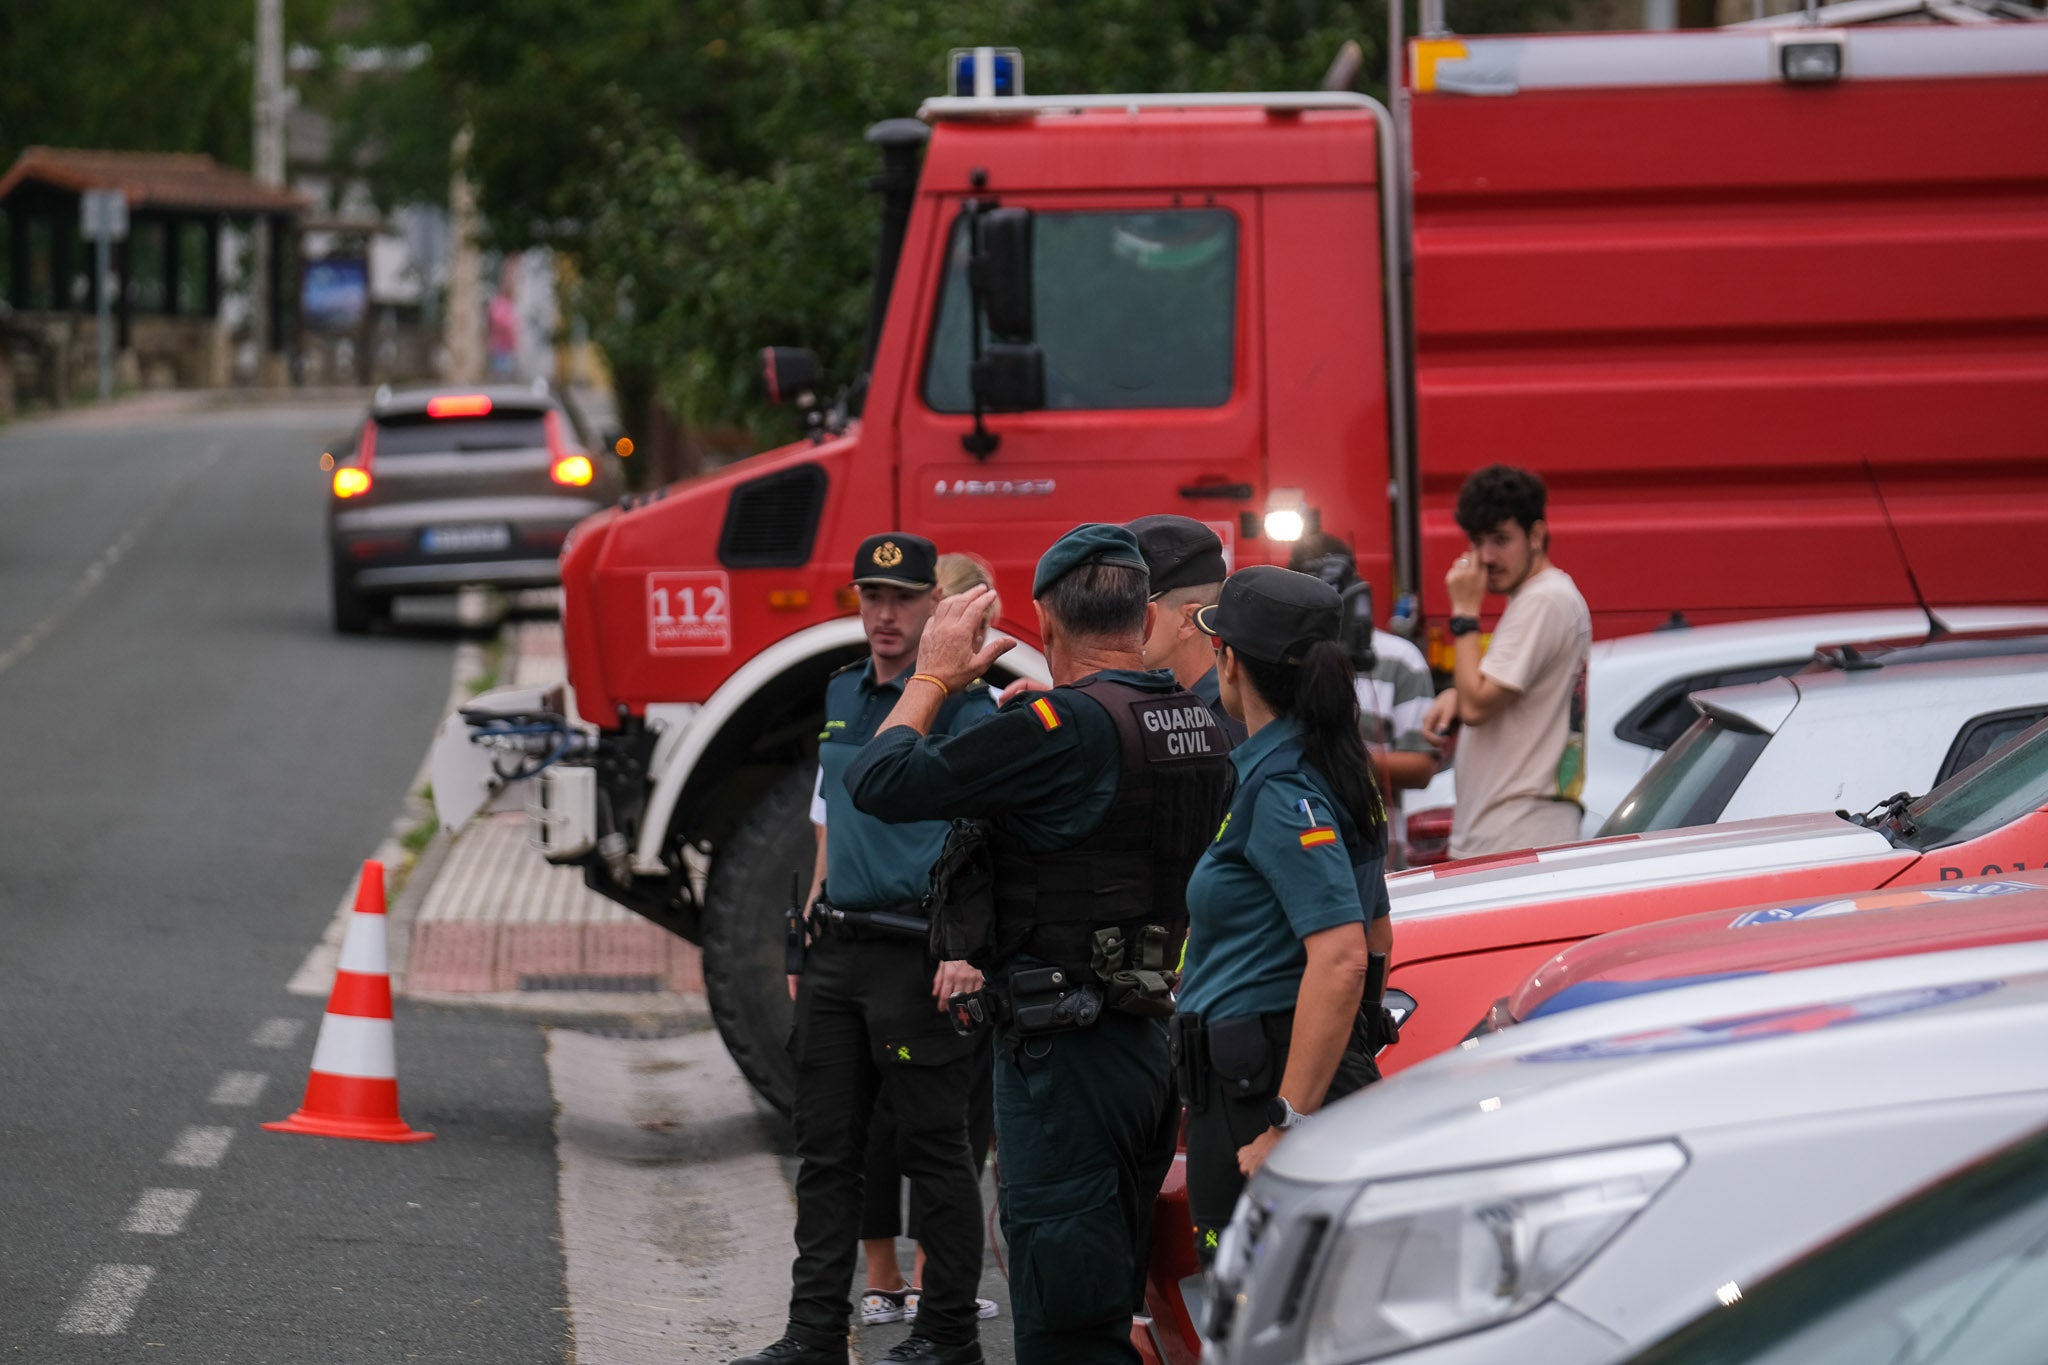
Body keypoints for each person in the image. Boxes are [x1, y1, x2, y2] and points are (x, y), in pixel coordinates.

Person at [845, 524, 1234, 1365]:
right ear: (1142, 616)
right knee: (1118, 1296)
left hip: (1064, 1061)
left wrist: (935, 675)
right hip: (1147, 1044)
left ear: (1045, 625)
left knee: (1065, 1323)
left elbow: (877, 780)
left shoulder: (1060, 726)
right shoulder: (1195, 724)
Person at [734, 532, 990, 1365]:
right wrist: (805, 939)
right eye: (870, 597)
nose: (884, 614)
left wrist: (967, 947)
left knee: (936, 1151)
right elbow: (827, 828)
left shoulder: (965, 707)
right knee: (827, 1150)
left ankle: (947, 1334)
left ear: (934, 605)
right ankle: (813, 1334)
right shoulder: (842, 691)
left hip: (921, 952)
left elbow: (992, 837)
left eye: (904, 599)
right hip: (841, 948)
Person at [1174, 565, 1390, 1259]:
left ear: (1230, 661)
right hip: (1283, 1069)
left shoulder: (1281, 786)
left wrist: (1286, 1122)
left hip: (1257, 1088)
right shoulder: (1336, 763)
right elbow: (1378, 930)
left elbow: (1344, 954)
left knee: (1249, 1312)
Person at [857, 552, 1000, 1329]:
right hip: (900, 937)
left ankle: (931, 1280)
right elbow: (846, 807)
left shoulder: (993, 711)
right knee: (893, 1119)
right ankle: (887, 1278)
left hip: (949, 940)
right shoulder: (869, 696)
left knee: (956, 1121)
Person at [1423, 464, 1591, 860]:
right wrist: (1456, 692)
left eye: (1500, 540)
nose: (1486, 557)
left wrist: (1464, 612)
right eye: (1477, 541)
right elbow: (1488, 695)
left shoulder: (1544, 600)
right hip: (1515, 832)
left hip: (1516, 836)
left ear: (1536, 534)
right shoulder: (1540, 598)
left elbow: (1478, 706)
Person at [1286, 533, 1440, 800]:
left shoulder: (1401, 659)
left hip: (1378, 836)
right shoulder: (1279, 659)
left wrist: (1338, 757)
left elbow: (1421, 767)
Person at [1126, 514, 1245, 746]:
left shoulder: (1242, 725)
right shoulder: (1127, 709)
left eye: (1129, 608)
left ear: (1189, 621)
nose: (1112, 622)